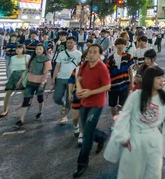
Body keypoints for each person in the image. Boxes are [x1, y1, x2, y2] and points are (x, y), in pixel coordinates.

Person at [109, 66, 165, 179]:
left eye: (162, 77)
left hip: (154, 140)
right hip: (135, 140)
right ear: (150, 79)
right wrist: (123, 136)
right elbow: (124, 115)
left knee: (154, 174)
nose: (162, 80)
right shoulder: (136, 95)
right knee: (133, 173)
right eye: (158, 77)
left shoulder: (163, 97)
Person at [73, 44, 111, 178]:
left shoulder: (102, 68)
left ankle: (82, 162)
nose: (92, 54)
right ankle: (101, 137)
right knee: (86, 128)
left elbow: (107, 85)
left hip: (96, 103)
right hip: (84, 101)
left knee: (87, 133)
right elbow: (79, 79)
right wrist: (78, 88)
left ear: (100, 54)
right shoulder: (84, 65)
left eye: (95, 52)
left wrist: (91, 92)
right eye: (90, 52)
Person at [15, 44, 51, 128]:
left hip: (40, 83)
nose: (38, 50)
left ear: (43, 50)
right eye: (37, 49)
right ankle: (21, 119)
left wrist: (43, 83)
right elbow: (27, 70)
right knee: (26, 99)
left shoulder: (46, 59)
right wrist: (20, 81)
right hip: (30, 82)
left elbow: (46, 72)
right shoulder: (32, 58)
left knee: (40, 98)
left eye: (40, 49)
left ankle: (40, 112)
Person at [52, 36, 82, 125]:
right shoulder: (61, 54)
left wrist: (79, 80)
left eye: (71, 42)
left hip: (73, 79)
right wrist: (53, 78)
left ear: (75, 43)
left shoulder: (79, 54)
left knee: (70, 99)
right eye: (68, 43)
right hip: (61, 77)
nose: (69, 44)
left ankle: (64, 116)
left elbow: (80, 67)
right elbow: (57, 66)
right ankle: (63, 104)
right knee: (56, 98)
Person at [106, 38, 134, 118]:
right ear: (115, 45)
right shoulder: (110, 58)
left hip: (124, 84)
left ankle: (121, 120)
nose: (120, 46)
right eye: (118, 44)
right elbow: (107, 72)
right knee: (112, 104)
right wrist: (107, 84)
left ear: (125, 45)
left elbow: (130, 70)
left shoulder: (128, 57)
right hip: (112, 85)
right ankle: (115, 120)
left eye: (122, 44)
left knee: (123, 104)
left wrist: (131, 83)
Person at [0, 45, 30, 118]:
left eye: (20, 49)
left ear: (23, 49)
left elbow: (28, 68)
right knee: (8, 92)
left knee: (24, 92)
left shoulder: (27, 56)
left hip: (23, 74)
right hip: (14, 74)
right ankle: (5, 110)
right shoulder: (13, 58)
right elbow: (11, 68)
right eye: (17, 49)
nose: (18, 50)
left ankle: (25, 108)